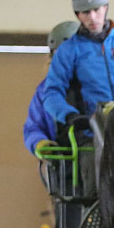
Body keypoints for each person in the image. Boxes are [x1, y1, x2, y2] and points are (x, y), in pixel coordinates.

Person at [42, 0, 114, 126]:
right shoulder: (68, 50)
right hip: (94, 128)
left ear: (105, 8)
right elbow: (51, 92)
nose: (93, 17)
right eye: (85, 12)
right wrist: (69, 115)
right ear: (78, 15)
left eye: (96, 10)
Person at [23, 21, 81, 155]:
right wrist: (39, 143)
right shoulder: (45, 90)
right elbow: (33, 127)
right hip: (62, 165)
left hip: (100, 164)